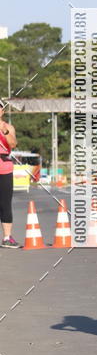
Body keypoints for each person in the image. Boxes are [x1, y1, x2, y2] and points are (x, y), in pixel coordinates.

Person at [0, 102, 18, 247]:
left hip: (5, 167)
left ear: (2, 111)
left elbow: (13, 145)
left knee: (5, 203)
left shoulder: (8, 127)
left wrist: (4, 131)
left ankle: (7, 238)